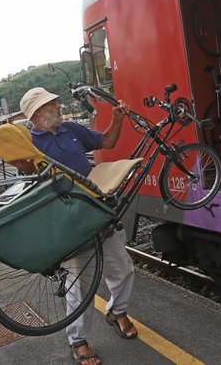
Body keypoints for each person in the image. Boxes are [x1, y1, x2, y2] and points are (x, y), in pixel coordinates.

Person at [19, 87, 137, 365]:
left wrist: (117, 119)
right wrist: (25, 166)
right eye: (53, 104)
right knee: (80, 285)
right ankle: (79, 341)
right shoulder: (28, 143)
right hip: (67, 220)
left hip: (96, 209)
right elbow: (28, 181)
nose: (60, 106)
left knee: (122, 269)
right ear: (38, 113)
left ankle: (116, 311)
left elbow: (106, 142)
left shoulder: (71, 129)